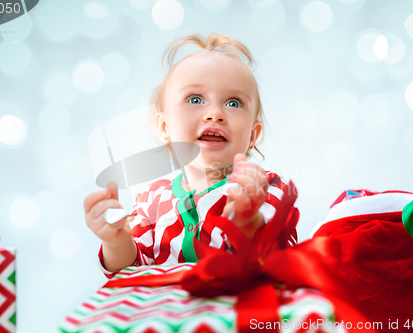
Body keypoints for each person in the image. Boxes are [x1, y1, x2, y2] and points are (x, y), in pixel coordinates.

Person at [83, 33, 295, 278]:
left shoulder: (264, 188)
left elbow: (283, 259)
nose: (215, 113)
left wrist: (250, 224)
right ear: (165, 127)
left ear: (252, 135)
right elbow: (130, 273)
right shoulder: (151, 200)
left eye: (234, 103)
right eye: (195, 99)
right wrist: (117, 241)